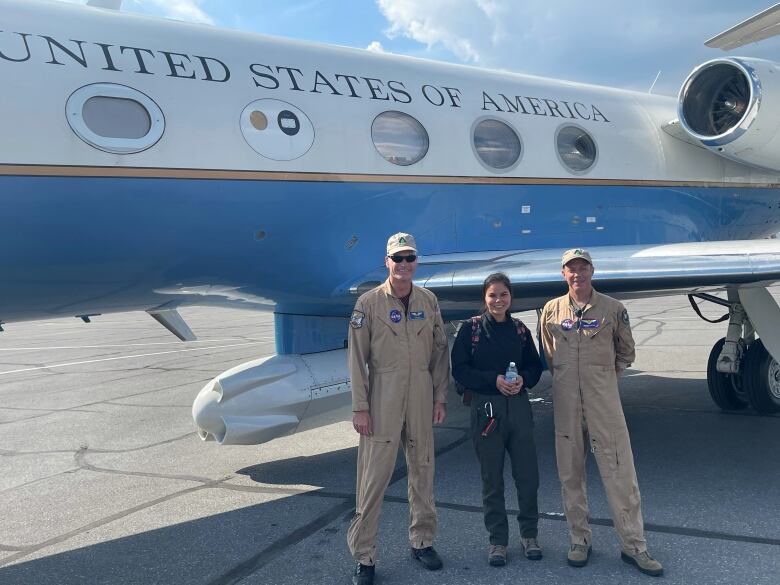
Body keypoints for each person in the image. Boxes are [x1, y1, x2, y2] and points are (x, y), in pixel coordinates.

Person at [540, 248, 663, 577]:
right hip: (566, 405)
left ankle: (634, 545)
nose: (577, 274)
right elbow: (550, 355)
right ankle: (579, 539)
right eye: (571, 269)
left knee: (620, 473)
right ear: (563, 273)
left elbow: (626, 352)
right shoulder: (551, 310)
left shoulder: (612, 309)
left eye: (583, 268)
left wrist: (604, 381)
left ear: (592, 271)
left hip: (603, 405)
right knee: (570, 475)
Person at [347, 232, 450, 585]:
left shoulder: (429, 300)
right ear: (387, 262)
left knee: (423, 469)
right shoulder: (369, 303)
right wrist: (361, 407)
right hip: (383, 395)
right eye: (398, 258)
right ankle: (365, 555)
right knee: (374, 477)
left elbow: (439, 352)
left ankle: (422, 542)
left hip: (420, 392)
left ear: (416, 262)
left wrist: (439, 397)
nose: (404, 265)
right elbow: (356, 359)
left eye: (410, 258)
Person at [451, 272, 543, 567]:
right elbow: (460, 370)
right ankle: (498, 541)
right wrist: (495, 380)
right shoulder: (471, 330)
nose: (498, 300)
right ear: (484, 298)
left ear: (511, 297)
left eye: (503, 295)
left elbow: (534, 365)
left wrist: (523, 381)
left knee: (528, 477)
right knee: (492, 480)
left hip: (518, 408)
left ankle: (529, 535)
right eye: (492, 295)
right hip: (486, 411)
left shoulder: (519, 330)